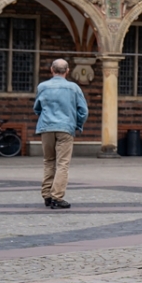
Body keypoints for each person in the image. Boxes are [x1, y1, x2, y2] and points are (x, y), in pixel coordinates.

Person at [34, 59, 87, 210]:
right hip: (65, 128)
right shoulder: (74, 88)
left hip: (47, 127)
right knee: (62, 163)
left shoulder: (42, 87)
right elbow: (83, 111)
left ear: (52, 70)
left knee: (48, 161)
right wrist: (78, 124)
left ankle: (47, 195)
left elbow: (37, 107)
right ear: (67, 71)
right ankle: (57, 196)